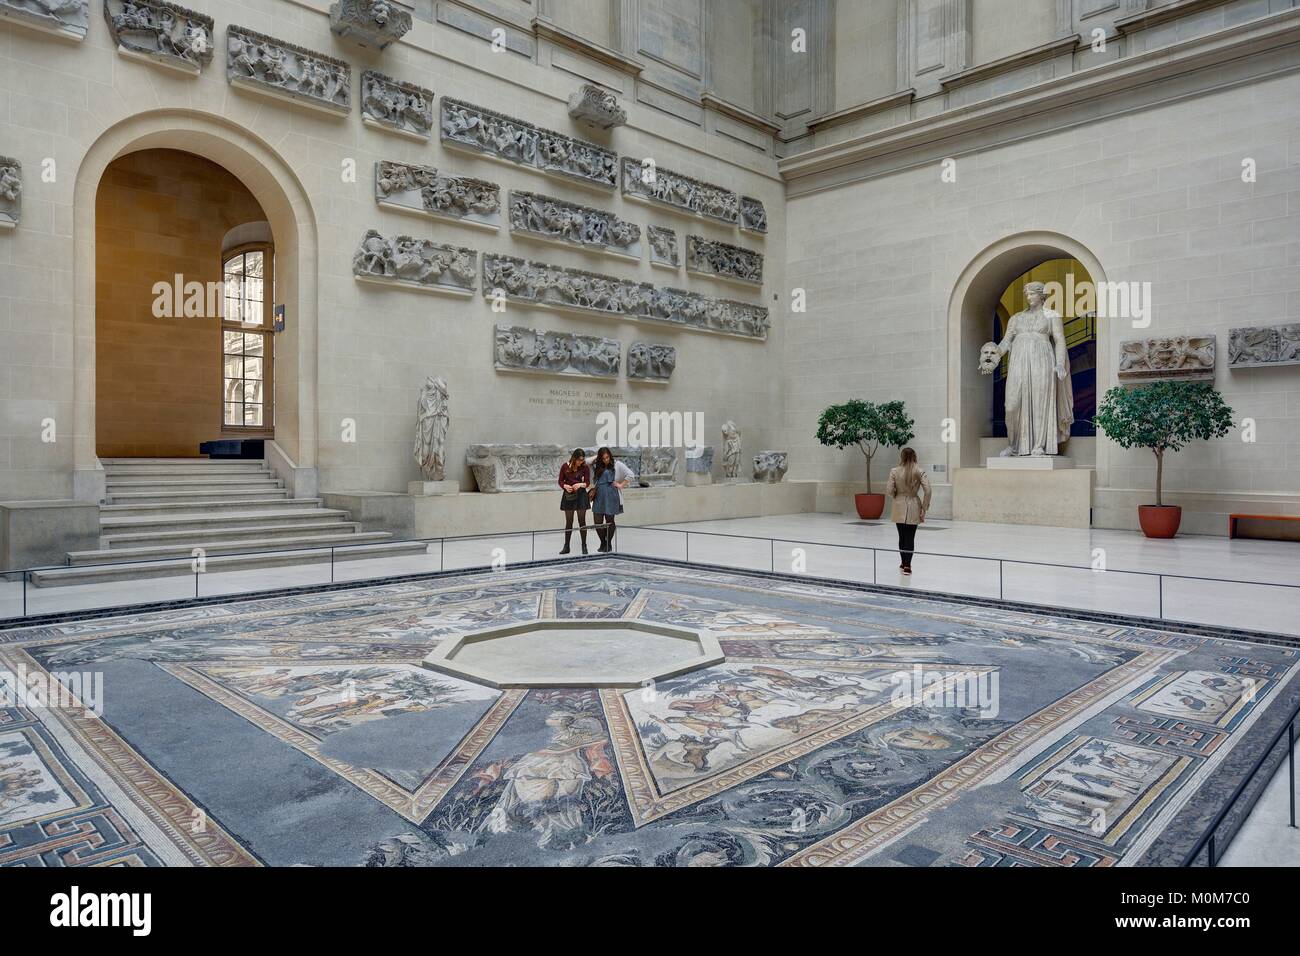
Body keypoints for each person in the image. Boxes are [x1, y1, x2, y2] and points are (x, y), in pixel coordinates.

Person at [885, 447, 931, 575]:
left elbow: (889, 490)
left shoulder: (894, 471)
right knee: (910, 537)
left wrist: (895, 494)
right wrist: (924, 507)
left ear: (902, 457)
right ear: (915, 456)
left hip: (899, 505)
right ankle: (908, 565)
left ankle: (903, 562)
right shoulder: (919, 471)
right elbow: (928, 490)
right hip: (913, 505)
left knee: (902, 536)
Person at [587, 446, 633, 553]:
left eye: (607, 457)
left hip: (612, 495)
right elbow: (586, 462)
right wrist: (597, 458)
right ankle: (603, 542)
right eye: (603, 458)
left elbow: (630, 474)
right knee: (597, 522)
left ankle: (608, 544)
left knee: (610, 521)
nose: (606, 460)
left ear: (610, 456)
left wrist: (621, 485)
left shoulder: (617, 464)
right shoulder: (597, 466)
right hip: (599, 495)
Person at [557, 448, 590, 555]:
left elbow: (587, 482)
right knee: (569, 522)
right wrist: (565, 486)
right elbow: (560, 481)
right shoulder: (565, 466)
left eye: (582, 459)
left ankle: (584, 546)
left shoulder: (584, 467)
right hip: (569, 495)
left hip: (581, 495)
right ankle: (566, 546)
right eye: (579, 460)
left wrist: (580, 484)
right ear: (574, 458)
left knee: (582, 521)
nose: (581, 462)